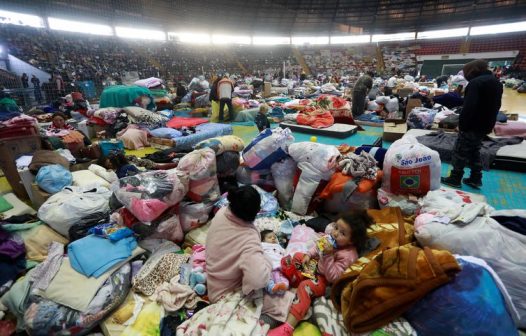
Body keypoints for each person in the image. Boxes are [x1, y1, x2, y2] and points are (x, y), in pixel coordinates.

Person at [268, 210, 373, 336]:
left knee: (305, 287)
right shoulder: (331, 238)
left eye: (342, 233)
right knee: (297, 256)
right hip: (314, 267)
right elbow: (317, 247)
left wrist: (328, 256)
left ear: (351, 241)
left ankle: (288, 327)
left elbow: (333, 277)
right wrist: (308, 255)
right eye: (336, 227)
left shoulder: (348, 255)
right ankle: (294, 279)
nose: (335, 233)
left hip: (324, 280)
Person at [206, 186, 294, 323]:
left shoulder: (222, 212)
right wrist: (267, 261)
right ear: (256, 213)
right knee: (287, 301)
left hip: (212, 281)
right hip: (226, 294)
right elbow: (257, 280)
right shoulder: (249, 238)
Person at [441, 59, 503, 189]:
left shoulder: (475, 83)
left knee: (460, 151)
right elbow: (497, 105)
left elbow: (469, 107)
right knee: (474, 151)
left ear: (473, 70)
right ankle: (475, 178)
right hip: (486, 123)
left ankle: (455, 178)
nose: (465, 75)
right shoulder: (496, 82)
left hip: (472, 124)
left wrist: (462, 125)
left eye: (465, 72)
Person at [261, 230, 289, 294]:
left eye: (274, 237)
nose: (273, 238)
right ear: (263, 240)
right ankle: (271, 288)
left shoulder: (278, 246)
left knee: (282, 277)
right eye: (270, 237)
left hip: (279, 266)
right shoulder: (262, 245)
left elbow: (285, 252)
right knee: (266, 277)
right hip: (268, 266)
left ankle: (283, 286)